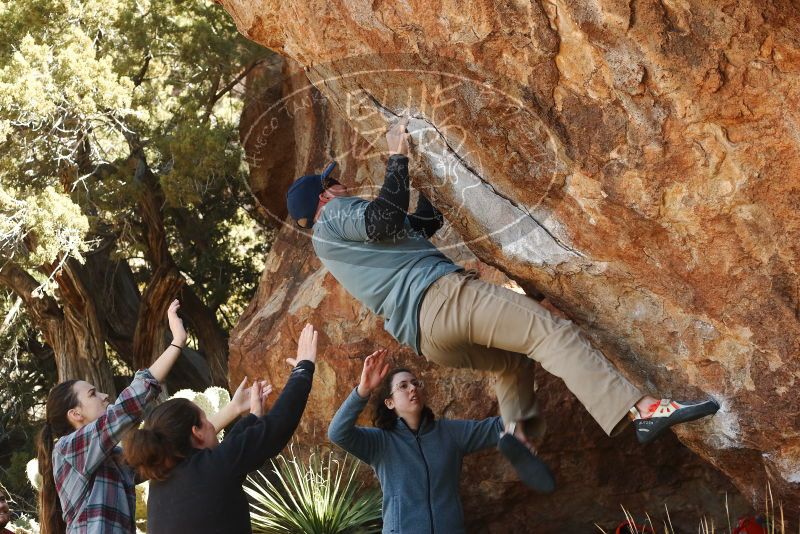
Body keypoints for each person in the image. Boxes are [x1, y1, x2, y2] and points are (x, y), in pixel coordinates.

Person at [287, 116, 719, 490]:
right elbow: (383, 217)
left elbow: (420, 224)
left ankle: (515, 434)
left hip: (429, 338)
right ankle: (641, 410)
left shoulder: (334, 249)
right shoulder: (337, 215)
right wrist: (396, 155)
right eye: (334, 181)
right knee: (550, 332)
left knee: (511, 363)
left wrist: (435, 177)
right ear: (325, 195)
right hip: (444, 298)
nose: (342, 183)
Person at [123, 323, 319, 534]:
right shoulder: (213, 467)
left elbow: (229, 452)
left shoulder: (162, 484)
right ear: (196, 432)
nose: (211, 425)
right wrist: (303, 368)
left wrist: (253, 416)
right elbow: (277, 426)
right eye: (206, 420)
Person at [329, 350, 537, 534]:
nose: (412, 388)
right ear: (389, 402)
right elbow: (337, 433)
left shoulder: (450, 433)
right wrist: (363, 389)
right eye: (403, 386)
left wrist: (522, 420)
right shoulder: (380, 443)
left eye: (415, 383)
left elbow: (498, 426)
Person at [37, 299, 187, 534]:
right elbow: (125, 409)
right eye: (93, 394)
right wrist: (176, 342)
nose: (105, 395)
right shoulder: (67, 451)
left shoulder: (111, 458)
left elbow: (163, 457)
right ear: (75, 414)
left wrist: (232, 411)